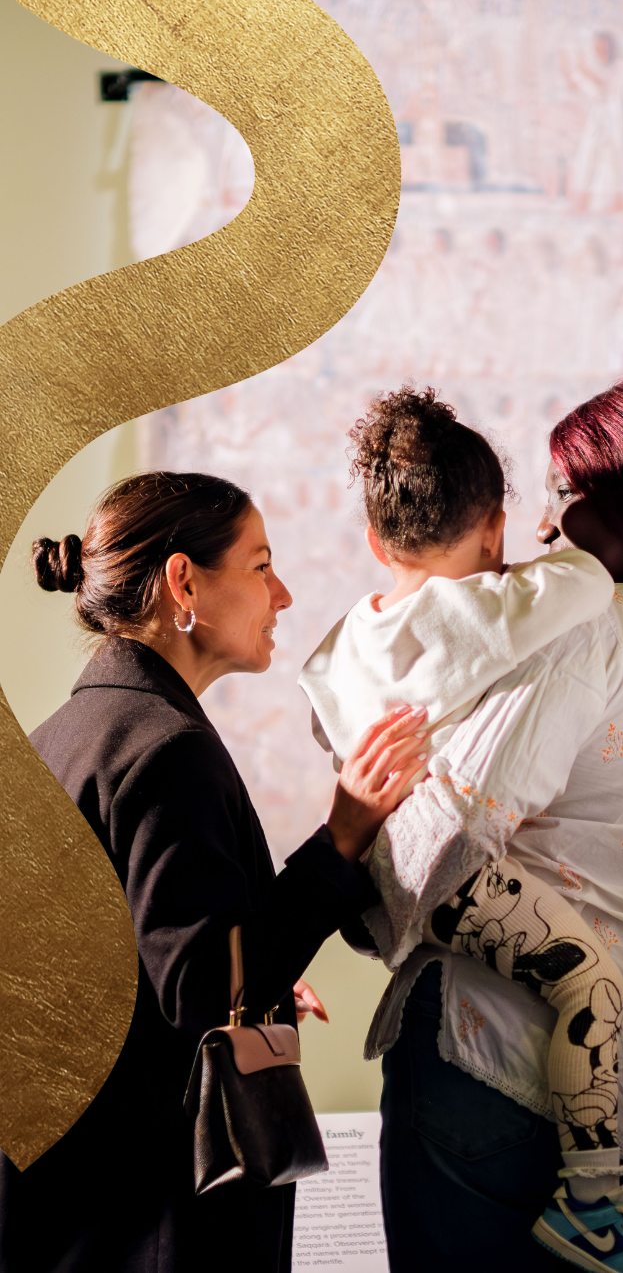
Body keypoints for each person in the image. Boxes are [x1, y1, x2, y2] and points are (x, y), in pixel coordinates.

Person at [356, 376, 623, 1273]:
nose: (544, 528)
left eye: (563, 494)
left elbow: (447, 843)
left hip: (495, 1074)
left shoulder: (592, 623)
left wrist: (359, 858)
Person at [0, 472, 426, 1273]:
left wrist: (252, 962)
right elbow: (203, 990)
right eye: (262, 566)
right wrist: (340, 841)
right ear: (183, 582)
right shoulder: (166, 751)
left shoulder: (68, 734)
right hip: (147, 1214)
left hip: (68, 1208)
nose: (286, 595)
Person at [299, 387, 623, 1270]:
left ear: (376, 543)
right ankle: (593, 1198)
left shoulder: (336, 648)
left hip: (385, 879)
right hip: (456, 876)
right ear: (496, 527)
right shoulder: (492, 613)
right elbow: (587, 577)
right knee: (589, 980)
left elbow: (328, 731)